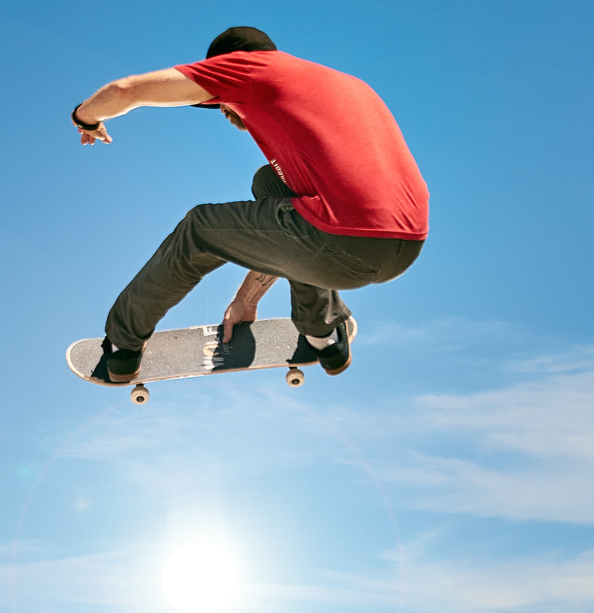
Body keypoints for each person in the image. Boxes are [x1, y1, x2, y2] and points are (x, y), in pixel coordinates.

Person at [71, 27, 428, 383]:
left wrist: (85, 116)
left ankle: (123, 346)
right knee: (269, 182)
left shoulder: (248, 69)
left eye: (220, 103)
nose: (224, 111)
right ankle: (324, 336)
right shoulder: (342, 84)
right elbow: (290, 225)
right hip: (406, 244)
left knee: (199, 228)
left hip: (343, 241)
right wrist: (246, 299)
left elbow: (125, 91)